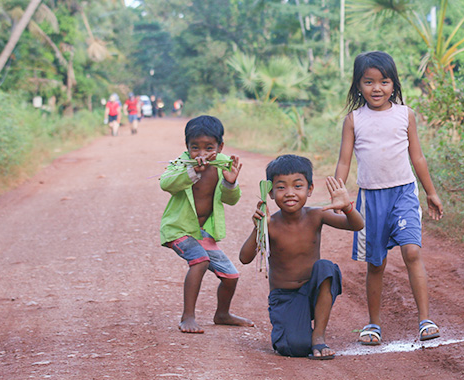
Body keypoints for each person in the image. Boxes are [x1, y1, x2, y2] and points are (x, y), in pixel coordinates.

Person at [334, 51, 443, 345]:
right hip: (370, 199)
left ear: (394, 84)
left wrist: (431, 192)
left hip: (404, 192)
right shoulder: (353, 120)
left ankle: (425, 319)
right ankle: (373, 324)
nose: (377, 88)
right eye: (369, 82)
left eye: (384, 81)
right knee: (376, 263)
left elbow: (417, 156)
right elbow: (344, 162)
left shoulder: (405, 115)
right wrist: (339, 190)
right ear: (358, 85)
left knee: (412, 252)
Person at [240, 155, 364, 360]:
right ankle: (297, 331)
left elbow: (356, 225)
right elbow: (244, 258)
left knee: (326, 268)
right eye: (281, 187)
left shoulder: (317, 215)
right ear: (270, 192)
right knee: (295, 348)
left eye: (298, 186)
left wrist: (347, 206)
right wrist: (258, 228)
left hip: (312, 291)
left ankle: (319, 336)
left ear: (310, 189)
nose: (290, 193)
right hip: (285, 298)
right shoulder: (270, 224)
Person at [159, 115, 253, 334]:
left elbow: (231, 200)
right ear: (186, 147)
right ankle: (187, 317)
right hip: (179, 230)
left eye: (208, 147)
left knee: (231, 277)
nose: (201, 154)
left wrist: (230, 182)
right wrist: (191, 172)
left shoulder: (222, 165)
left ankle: (222, 314)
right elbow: (165, 183)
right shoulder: (182, 163)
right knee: (199, 261)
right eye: (195, 148)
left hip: (202, 233)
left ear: (220, 146)